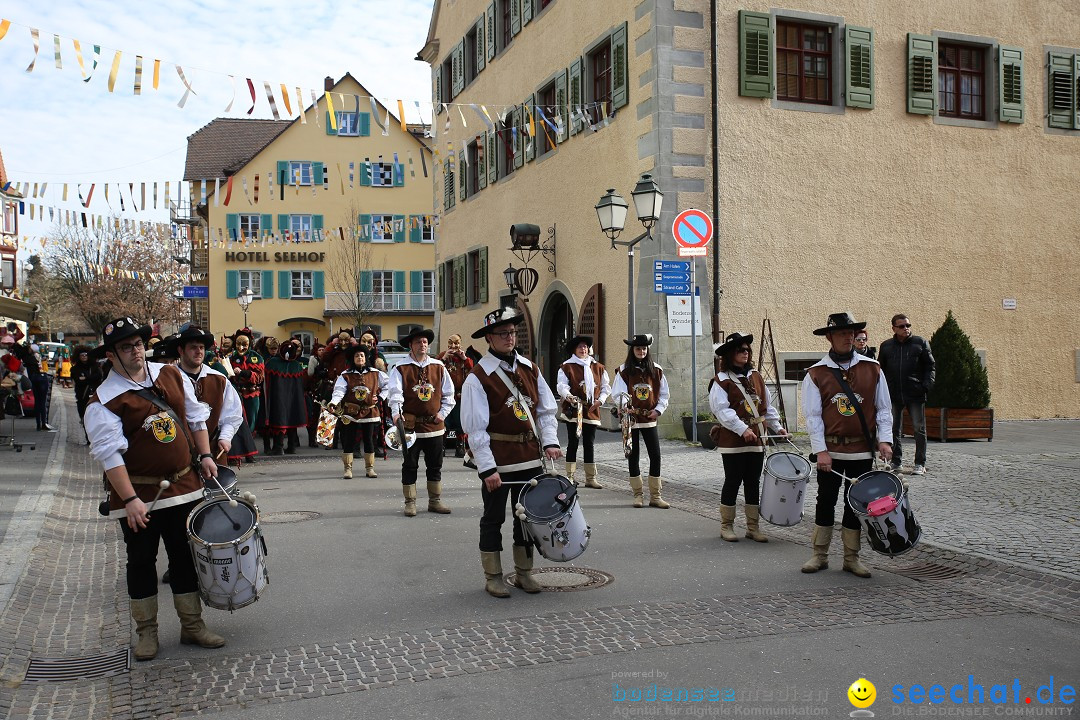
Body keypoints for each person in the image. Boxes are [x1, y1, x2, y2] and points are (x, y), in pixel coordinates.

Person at [83, 317, 225, 661]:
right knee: (142, 561)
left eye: (138, 344)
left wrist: (205, 455)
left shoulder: (169, 373)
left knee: (183, 557)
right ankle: (146, 632)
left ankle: (192, 626)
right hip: (139, 497)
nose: (136, 351)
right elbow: (109, 455)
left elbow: (194, 418)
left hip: (184, 484)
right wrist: (130, 499)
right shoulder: (103, 400)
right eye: (126, 347)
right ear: (111, 355)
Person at [460, 307, 562, 597]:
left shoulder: (530, 369)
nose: (509, 337)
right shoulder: (478, 377)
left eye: (513, 332)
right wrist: (488, 469)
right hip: (499, 460)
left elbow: (546, 411)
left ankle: (524, 573)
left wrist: (551, 442)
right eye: (503, 333)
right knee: (493, 518)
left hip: (530, 456)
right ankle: (493, 576)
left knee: (526, 518)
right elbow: (476, 429)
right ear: (490, 338)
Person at [800, 312, 893, 579]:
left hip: (862, 450)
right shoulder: (816, 373)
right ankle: (819, 554)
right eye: (842, 333)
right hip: (831, 450)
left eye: (851, 332)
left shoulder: (872, 368)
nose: (848, 337)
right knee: (825, 500)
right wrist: (821, 451)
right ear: (829, 337)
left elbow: (884, 409)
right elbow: (813, 417)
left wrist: (884, 440)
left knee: (857, 503)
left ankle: (852, 558)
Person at [708, 332, 788, 541]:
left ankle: (753, 527)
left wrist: (777, 428)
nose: (745, 353)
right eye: (740, 350)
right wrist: (742, 429)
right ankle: (727, 526)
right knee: (733, 480)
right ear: (730, 354)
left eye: (747, 350)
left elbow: (766, 407)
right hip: (734, 439)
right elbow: (722, 411)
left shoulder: (756, 376)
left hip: (758, 437)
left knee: (753, 481)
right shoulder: (721, 380)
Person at [387, 328, 455, 516]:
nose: (422, 345)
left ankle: (435, 501)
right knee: (410, 465)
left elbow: (449, 395)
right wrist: (396, 415)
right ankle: (410, 502)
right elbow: (395, 395)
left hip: (434, 426)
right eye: (418, 342)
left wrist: (442, 413)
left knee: (435, 465)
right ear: (411, 345)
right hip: (411, 427)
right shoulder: (401, 368)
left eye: (425, 342)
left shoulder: (438, 366)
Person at [610, 334, 671, 508]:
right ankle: (638, 495)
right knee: (633, 455)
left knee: (655, 455)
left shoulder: (657, 370)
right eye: (638, 349)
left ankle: (655, 496)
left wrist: (658, 410)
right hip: (632, 419)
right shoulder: (624, 370)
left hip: (650, 418)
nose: (641, 351)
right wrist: (624, 406)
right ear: (632, 350)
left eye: (644, 348)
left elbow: (664, 393)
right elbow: (618, 394)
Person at [878, 314, 935, 476]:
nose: (906, 329)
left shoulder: (920, 343)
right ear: (894, 328)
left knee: (919, 428)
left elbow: (930, 366)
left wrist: (926, 385)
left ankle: (920, 463)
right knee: (894, 428)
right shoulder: (886, 346)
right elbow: (880, 370)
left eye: (908, 325)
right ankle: (896, 461)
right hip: (893, 393)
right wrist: (882, 391)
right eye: (902, 326)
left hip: (915, 392)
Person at [556, 335, 610, 489]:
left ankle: (590, 478)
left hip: (591, 409)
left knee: (589, 443)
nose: (583, 349)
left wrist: (601, 400)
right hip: (574, 409)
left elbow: (606, 387)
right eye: (580, 347)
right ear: (575, 349)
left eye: (585, 347)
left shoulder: (598, 367)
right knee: (573, 443)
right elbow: (561, 386)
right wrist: (570, 397)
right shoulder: (567, 366)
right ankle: (570, 477)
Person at [330, 345, 389, 478]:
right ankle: (348, 469)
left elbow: (388, 385)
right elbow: (339, 390)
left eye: (362, 355)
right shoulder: (346, 375)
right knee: (349, 440)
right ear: (353, 358)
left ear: (366, 357)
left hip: (369, 411)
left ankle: (370, 468)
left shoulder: (375, 373)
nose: (360, 358)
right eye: (357, 356)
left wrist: (380, 397)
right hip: (350, 411)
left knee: (369, 440)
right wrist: (334, 402)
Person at [264, 337, 308, 454]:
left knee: (280, 419)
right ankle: (291, 446)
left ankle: (279, 447)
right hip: (293, 398)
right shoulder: (297, 365)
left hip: (278, 396)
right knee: (291, 420)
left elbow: (267, 381)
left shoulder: (272, 363)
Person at [437, 333, 474, 458]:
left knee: (460, 422)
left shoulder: (464, 358)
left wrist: (465, 359)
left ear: (460, 343)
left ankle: (460, 446)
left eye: (456, 343)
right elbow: (434, 371)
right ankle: (441, 447)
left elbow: (473, 372)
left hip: (459, 396)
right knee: (444, 421)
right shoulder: (441, 357)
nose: (453, 346)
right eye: (451, 342)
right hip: (444, 397)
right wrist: (444, 359)